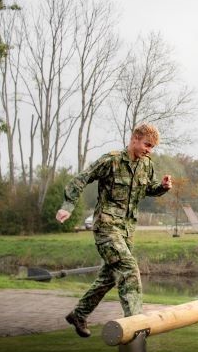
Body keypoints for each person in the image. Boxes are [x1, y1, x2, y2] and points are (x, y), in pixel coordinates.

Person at [56, 123, 173, 338]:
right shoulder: (112, 160)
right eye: (147, 144)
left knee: (109, 277)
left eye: (153, 147)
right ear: (135, 138)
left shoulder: (147, 165)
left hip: (127, 231)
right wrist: (68, 206)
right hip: (106, 228)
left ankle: (79, 314)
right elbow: (82, 178)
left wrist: (162, 188)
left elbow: (149, 188)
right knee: (128, 268)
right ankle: (137, 323)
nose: (149, 150)